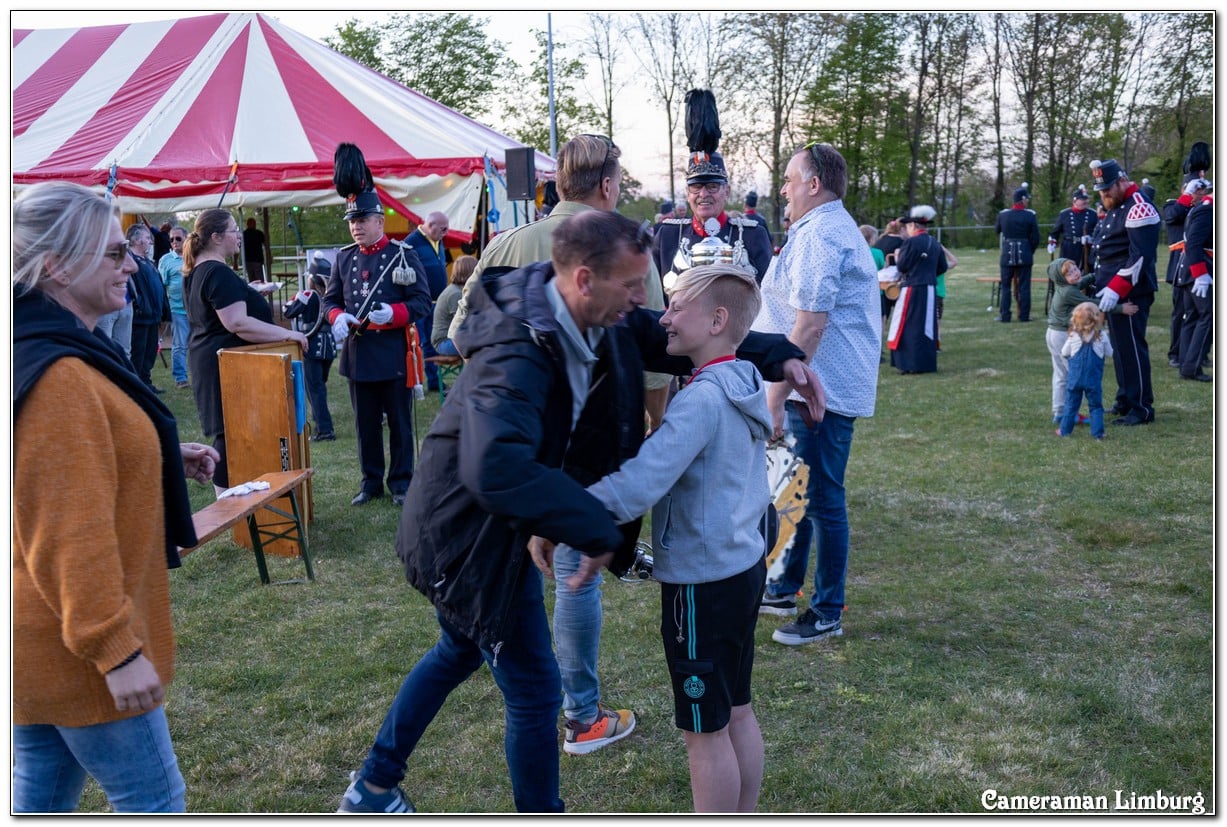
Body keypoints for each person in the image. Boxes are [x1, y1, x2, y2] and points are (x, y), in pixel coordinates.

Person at [335, 210, 822, 814]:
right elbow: (494, 468)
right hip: (472, 538)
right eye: (632, 286)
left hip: (511, 523)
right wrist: (587, 526)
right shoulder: (516, 349)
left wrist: (782, 354)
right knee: (536, 691)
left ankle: (374, 785)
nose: (644, 302)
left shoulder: (599, 315)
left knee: (458, 650)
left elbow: (690, 333)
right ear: (586, 280)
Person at [446, 133, 670, 753]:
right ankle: (581, 714)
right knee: (575, 576)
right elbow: (653, 362)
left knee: (517, 571)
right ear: (608, 186)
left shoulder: (509, 243)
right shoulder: (624, 246)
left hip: (511, 438)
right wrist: (655, 432)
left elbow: (461, 336)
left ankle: (530, 695)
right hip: (584, 445)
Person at [12, 181, 220, 813]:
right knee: (154, 802)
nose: (131, 263)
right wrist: (115, 651)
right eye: (113, 253)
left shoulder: (44, 347)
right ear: (56, 266)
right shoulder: (59, 376)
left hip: (38, 639)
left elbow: (65, 470)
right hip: (77, 650)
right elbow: (68, 530)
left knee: (40, 797)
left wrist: (156, 454)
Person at [568, 264, 771, 812]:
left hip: (703, 587)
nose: (664, 317)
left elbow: (641, 481)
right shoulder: (742, 379)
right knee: (736, 710)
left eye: (678, 306)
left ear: (717, 321)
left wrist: (563, 510)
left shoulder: (699, 401)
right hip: (740, 569)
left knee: (704, 732)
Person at [755, 142, 880, 646]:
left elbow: (808, 327)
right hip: (809, 387)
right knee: (796, 491)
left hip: (816, 392)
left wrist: (775, 396)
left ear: (813, 184)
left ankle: (827, 610)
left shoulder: (822, 234)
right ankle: (783, 587)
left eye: (789, 179)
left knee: (823, 499)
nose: (783, 189)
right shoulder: (819, 229)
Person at [324, 146, 433, 507]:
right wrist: (337, 317)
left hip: (392, 354)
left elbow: (421, 301)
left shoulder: (402, 255)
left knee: (399, 423)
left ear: (380, 222)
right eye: (352, 221)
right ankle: (370, 482)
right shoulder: (344, 258)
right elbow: (330, 301)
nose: (356, 227)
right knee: (365, 426)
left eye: (362, 220)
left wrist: (395, 313)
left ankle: (401, 483)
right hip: (359, 355)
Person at [185, 209, 307, 491]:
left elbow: (222, 308)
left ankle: (235, 499)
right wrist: (288, 333)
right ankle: (226, 502)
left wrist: (248, 291)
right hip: (226, 366)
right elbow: (237, 323)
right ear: (216, 237)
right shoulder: (217, 272)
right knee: (230, 436)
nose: (239, 235)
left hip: (213, 361)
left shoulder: (200, 270)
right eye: (233, 230)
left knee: (231, 433)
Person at [655, 90, 774, 288]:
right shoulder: (668, 235)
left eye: (712, 187)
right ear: (687, 192)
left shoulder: (752, 235)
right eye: (696, 187)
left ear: (727, 191)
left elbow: (767, 295)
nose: (703, 194)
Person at [1088, 158, 1160, 426]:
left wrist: (1116, 289)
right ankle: (1125, 399)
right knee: (1119, 349)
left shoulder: (1138, 206)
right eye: (1101, 190)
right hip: (1111, 291)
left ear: (1121, 181)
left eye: (1107, 188)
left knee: (1131, 349)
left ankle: (1141, 407)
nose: (1104, 194)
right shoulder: (1118, 205)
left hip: (1130, 292)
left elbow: (1140, 256)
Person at [1045, 257, 1137, 425]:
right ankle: (1071, 413)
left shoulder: (1065, 287)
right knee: (1075, 375)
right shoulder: (1069, 292)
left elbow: (1081, 282)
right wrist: (1121, 308)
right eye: (1069, 273)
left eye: (1075, 269)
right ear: (1061, 278)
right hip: (1063, 335)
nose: (1075, 273)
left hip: (1053, 333)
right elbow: (1093, 305)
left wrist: (1096, 274)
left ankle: (1059, 412)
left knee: (1061, 374)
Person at [886, 206, 945, 375]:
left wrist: (899, 259)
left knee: (908, 325)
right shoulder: (934, 243)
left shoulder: (911, 242)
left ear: (913, 225)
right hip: (930, 288)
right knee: (926, 326)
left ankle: (908, 363)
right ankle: (924, 362)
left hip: (912, 287)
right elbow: (942, 267)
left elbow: (903, 266)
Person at [284, 272, 338, 441]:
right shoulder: (330, 296)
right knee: (319, 388)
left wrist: (295, 298)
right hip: (328, 348)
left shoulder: (309, 294)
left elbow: (288, 311)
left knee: (315, 389)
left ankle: (325, 429)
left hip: (313, 347)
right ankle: (320, 421)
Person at [405, 211, 451, 392]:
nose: (446, 233)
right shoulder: (411, 242)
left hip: (437, 303)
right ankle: (419, 381)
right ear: (431, 225)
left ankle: (433, 381)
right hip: (421, 303)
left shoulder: (438, 239)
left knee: (433, 342)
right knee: (420, 343)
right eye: (443, 229)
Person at [1173, 178, 1213, 382]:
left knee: (1193, 317)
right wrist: (1200, 274)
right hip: (1199, 270)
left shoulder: (1203, 208)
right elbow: (1194, 243)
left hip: (1192, 269)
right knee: (1208, 316)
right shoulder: (1207, 210)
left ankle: (1186, 364)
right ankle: (1192, 366)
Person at [1056, 302, 1112, 440]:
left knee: (1070, 405)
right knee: (1096, 406)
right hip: (1093, 380)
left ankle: (1064, 431)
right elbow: (1110, 353)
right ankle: (1098, 434)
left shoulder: (1073, 336)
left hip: (1074, 380)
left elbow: (1064, 352)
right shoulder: (1101, 336)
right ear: (1096, 318)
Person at [126, 223, 168, 393]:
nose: (150, 241)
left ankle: (146, 384)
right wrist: (140, 305)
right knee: (138, 353)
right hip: (140, 316)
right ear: (136, 240)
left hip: (153, 315)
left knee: (149, 352)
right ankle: (136, 387)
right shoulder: (130, 261)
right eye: (147, 237)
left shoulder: (148, 262)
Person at [995, 183, 1040, 322]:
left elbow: (997, 230)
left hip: (1007, 252)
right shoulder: (1030, 215)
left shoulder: (1003, 215)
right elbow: (1035, 238)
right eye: (1027, 199)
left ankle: (1005, 315)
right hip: (1025, 252)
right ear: (1023, 199)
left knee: (1005, 286)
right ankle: (1024, 315)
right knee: (1024, 286)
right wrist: (1029, 250)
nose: (1028, 201)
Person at [158, 226, 190, 389]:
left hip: (197, 310)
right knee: (180, 345)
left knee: (199, 344)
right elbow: (161, 285)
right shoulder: (165, 260)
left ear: (186, 239)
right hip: (177, 310)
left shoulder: (195, 256)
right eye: (171, 239)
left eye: (178, 238)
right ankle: (181, 378)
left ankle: (200, 375)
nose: (174, 242)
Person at [431, 254, 476, 358]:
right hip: (444, 342)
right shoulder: (456, 294)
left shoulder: (456, 289)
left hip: (451, 339)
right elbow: (463, 324)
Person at [1046, 185, 1098, 271]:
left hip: (1086, 249)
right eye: (1082, 199)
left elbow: (1098, 232)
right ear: (1075, 200)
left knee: (1087, 273)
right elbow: (1055, 232)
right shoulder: (1064, 214)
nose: (1086, 201)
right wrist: (1053, 242)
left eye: (1086, 199)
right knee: (1067, 272)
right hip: (1069, 249)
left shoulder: (1092, 214)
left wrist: (1090, 239)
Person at [242, 217, 267, 282]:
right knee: (256, 280)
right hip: (253, 260)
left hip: (253, 260)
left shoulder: (244, 234)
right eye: (253, 223)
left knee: (254, 280)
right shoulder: (244, 234)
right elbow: (266, 245)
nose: (254, 225)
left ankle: (256, 288)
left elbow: (266, 245)